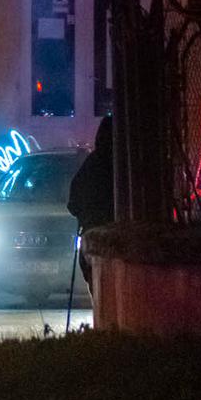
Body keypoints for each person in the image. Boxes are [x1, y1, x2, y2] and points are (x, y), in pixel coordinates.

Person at [67, 115, 115, 295]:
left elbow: (73, 202)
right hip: (111, 231)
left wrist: (85, 216)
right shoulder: (125, 162)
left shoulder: (91, 164)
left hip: (92, 233)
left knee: (97, 284)